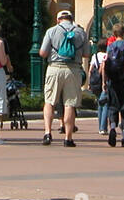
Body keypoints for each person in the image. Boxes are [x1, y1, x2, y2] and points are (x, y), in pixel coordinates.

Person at [38, 9, 89, 146]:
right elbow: (86, 54)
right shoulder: (81, 32)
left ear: (58, 19)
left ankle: (47, 133)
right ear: (71, 19)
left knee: (49, 101)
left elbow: (43, 53)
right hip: (73, 69)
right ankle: (68, 137)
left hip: (54, 68)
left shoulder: (51, 31)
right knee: (69, 104)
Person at [103, 24, 124, 147]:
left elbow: (106, 63)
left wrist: (104, 81)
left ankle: (112, 127)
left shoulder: (110, 46)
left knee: (112, 105)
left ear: (114, 34)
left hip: (112, 81)